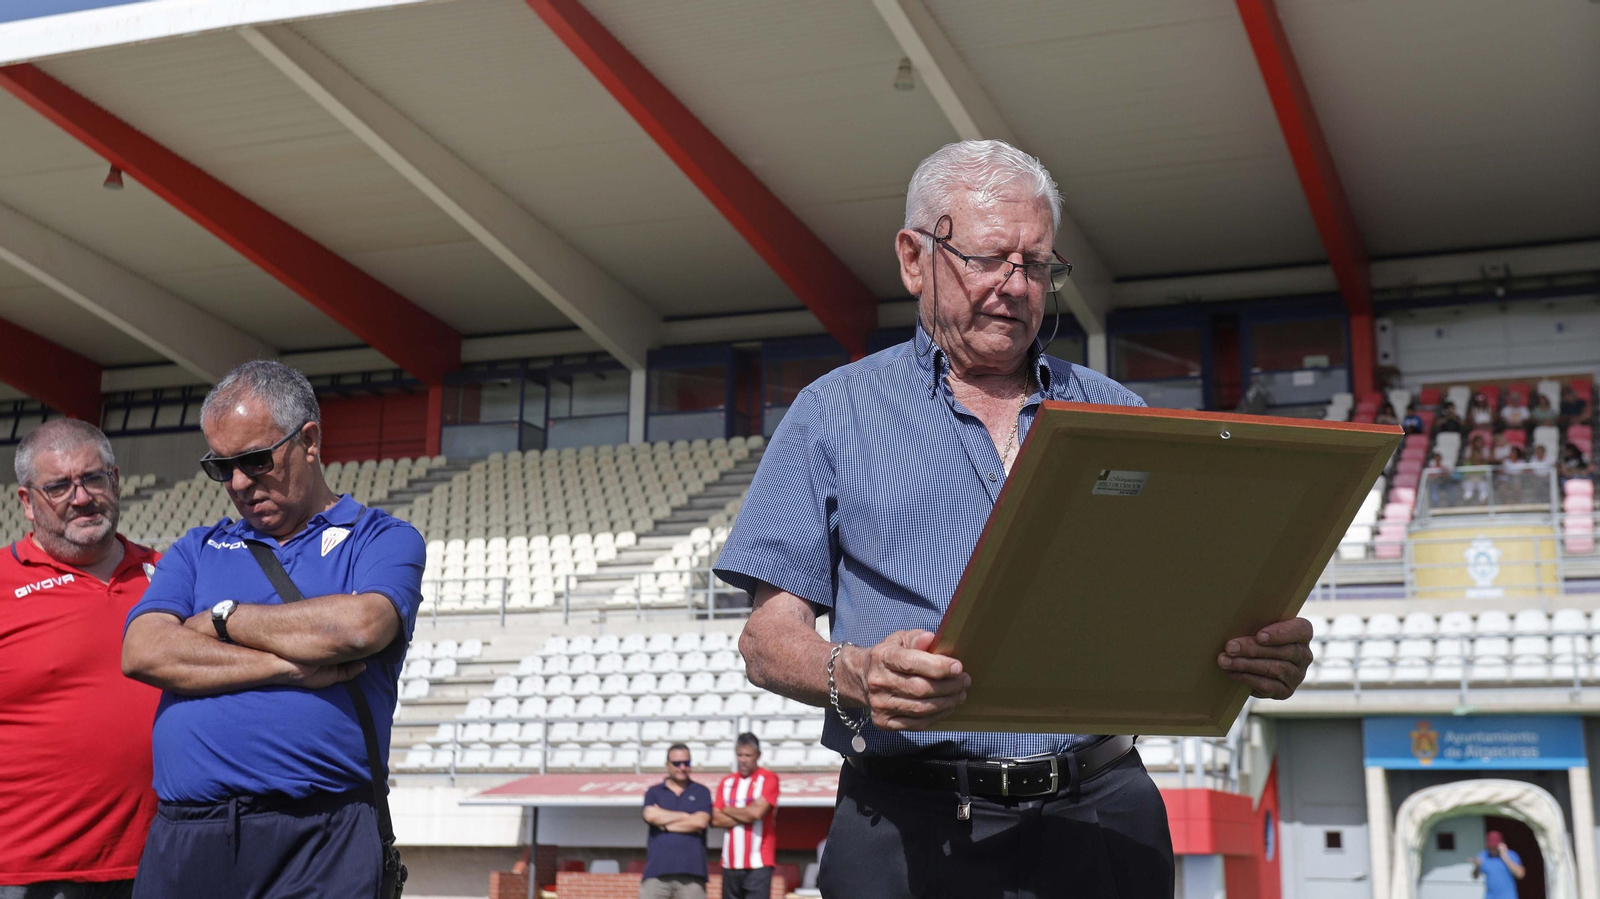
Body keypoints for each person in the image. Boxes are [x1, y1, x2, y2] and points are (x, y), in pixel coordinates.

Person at [715, 140, 1313, 898]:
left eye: (1037, 265)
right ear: (912, 257)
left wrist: (1252, 649)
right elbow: (766, 640)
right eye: (989, 258)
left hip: (1101, 816)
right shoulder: (831, 414)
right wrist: (856, 671)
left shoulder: (1117, 412)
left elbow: (1169, 609)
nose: (1015, 286)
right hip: (906, 823)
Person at [121, 361, 425, 899]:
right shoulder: (196, 547)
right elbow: (144, 651)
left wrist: (223, 617)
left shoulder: (382, 538)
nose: (238, 483)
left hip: (321, 838)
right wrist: (287, 665)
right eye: (222, 467)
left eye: (256, 461)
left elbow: (360, 626)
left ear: (309, 440)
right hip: (187, 837)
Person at [0, 421, 161, 899]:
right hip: (32, 873)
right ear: (27, 502)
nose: (82, 497)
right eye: (58, 486)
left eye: (94, 478)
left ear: (114, 481)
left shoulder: (171, 573)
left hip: (163, 861)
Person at [640, 744, 713, 899]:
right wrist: (688, 816)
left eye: (686, 763)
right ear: (667, 765)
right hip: (656, 875)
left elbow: (700, 822)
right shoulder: (654, 792)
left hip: (692, 875)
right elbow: (651, 816)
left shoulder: (701, 792)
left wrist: (664, 824)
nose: (682, 767)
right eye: (676, 763)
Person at [711, 734, 779, 899]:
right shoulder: (727, 782)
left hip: (758, 862)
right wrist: (747, 811)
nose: (743, 760)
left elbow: (756, 813)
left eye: (748, 755)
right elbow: (715, 819)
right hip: (730, 863)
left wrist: (727, 809)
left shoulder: (768, 779)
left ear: (758, 755)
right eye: (740, 755)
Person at [1472, 830, 1524, 899]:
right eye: (1491, 847)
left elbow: (1520, 874)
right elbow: (1475, 876)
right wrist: (1477, 866)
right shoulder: (1483, 856)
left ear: (1501, 844)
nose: (1492, 849)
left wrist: (1505, 857)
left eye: (1495, 846)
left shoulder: (1511, 855)